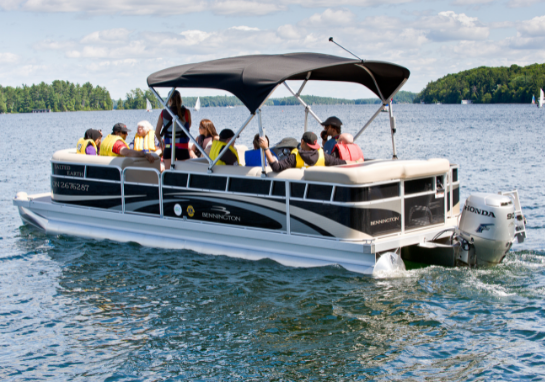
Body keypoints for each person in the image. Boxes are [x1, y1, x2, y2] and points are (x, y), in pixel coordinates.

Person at [259, 131, 353, 173]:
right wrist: (358, 161)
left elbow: (276, 167)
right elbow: (342, 162)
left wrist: (266, 148)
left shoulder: (295, 157)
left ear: (302, 142)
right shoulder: (323, 156)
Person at [155, 90, 191, 169]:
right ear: (180, 99)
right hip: (183, 147)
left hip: (168, 147)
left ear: (169, 100)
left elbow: (157, 132)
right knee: (184, 173)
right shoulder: (186, 112)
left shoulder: (163, 113)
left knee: (168, 172)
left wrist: (161, 143)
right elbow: (188, 126)